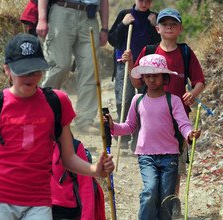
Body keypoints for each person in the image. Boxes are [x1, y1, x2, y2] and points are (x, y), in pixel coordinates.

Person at [0, 33, 114, 219]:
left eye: (35, 70)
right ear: (7, 70)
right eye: (23, 71)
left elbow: (68, 157)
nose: (30, 77)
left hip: (39, 201)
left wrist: (95, 170)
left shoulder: (57, 102)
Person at [125, 8, 205, 217]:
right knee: (158, 156)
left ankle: (171, 202)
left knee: (175, 161)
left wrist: (192, 93)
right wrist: (130, 61)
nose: (169, 26)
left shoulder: (185, 52)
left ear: (180, 28)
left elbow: (199, 81)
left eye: (173, 23)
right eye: (165, 23)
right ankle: (158, 205)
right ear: (157, 28)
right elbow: (136, 81)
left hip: (179, 117)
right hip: (152, 114)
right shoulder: (149, 50)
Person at [104, 53, 201, 220]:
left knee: (166, 198)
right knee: (150, 191)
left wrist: (189, 134)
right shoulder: (137, 100)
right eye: (147, 76)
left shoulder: (174, 100)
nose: (151, 80)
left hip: (170, 156)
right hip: (146, 156)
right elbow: (129, 126)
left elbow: (183, 125)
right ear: (143, 78)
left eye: (155, 75)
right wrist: (113, 127)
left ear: (164, 77)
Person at [36, 0, 109, 135]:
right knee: (60, 65)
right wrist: (41, 19)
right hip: (62, 12)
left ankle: (85, 120)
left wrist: (105, 28)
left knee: (90, 67)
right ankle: (42, 112)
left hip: (89, 16)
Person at [107, 0, 161, 151]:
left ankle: (138, 138)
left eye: (148, 1)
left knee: (144, 101)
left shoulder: (154, 18)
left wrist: (155, 26)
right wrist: (123, 25)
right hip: (123, 63)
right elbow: (113, 40)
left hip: (146, 65)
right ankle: (122, 135)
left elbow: (160, 43)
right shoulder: (125, 15)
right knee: (124, 98)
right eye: (141, 0)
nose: (144, 3)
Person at [51, 138, 105, 220]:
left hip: (66, 212)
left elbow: (86, 188)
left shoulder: (75, 147)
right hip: (40, 209)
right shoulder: (36, 145)